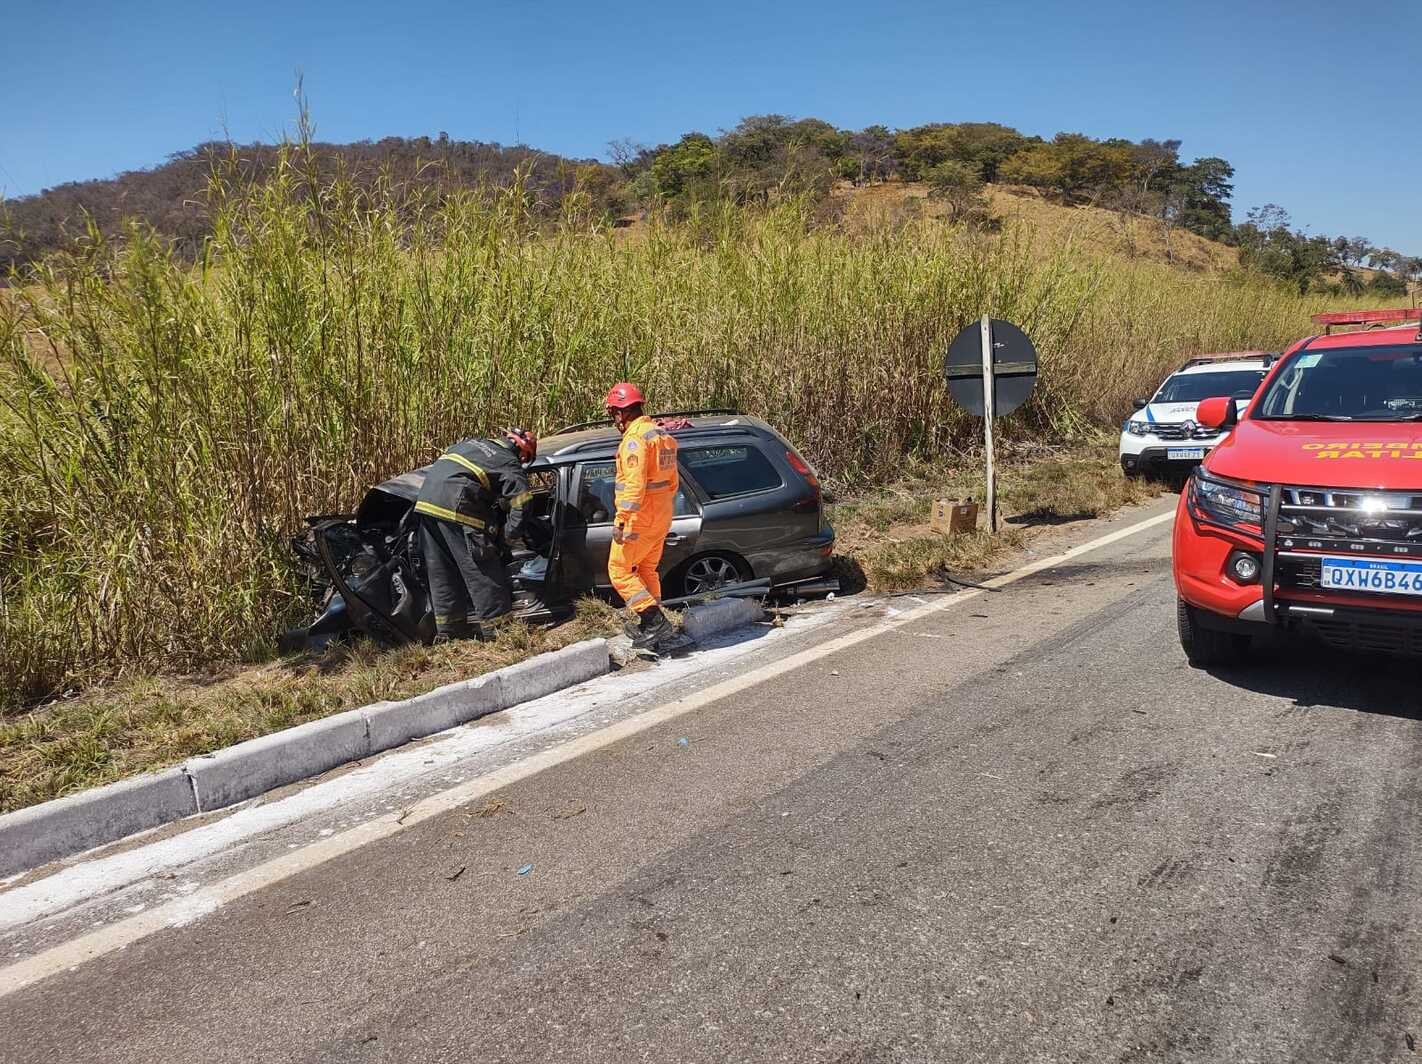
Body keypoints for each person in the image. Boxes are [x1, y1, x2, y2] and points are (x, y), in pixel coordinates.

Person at [414, 428, 538, 642]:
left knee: (442, 573)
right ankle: (500, 632)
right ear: (522, 454)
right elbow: (523, 502)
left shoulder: (472, 444)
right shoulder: (507, 461)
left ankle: (450, 634)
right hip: (456, 509)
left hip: (426, 506)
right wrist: (509, 535)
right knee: (482, 569)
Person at [604, 382, 683, 651]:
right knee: (647, 569)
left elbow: (635, 485)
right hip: (661, 515)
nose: (614, 419)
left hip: (639, 516)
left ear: (621, 412)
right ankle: (655, 623)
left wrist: (622, 519)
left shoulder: (635, 441)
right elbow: (673, 482)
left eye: (613, 413)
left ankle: (654, 621)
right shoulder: (661, 435)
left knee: (619, 570)